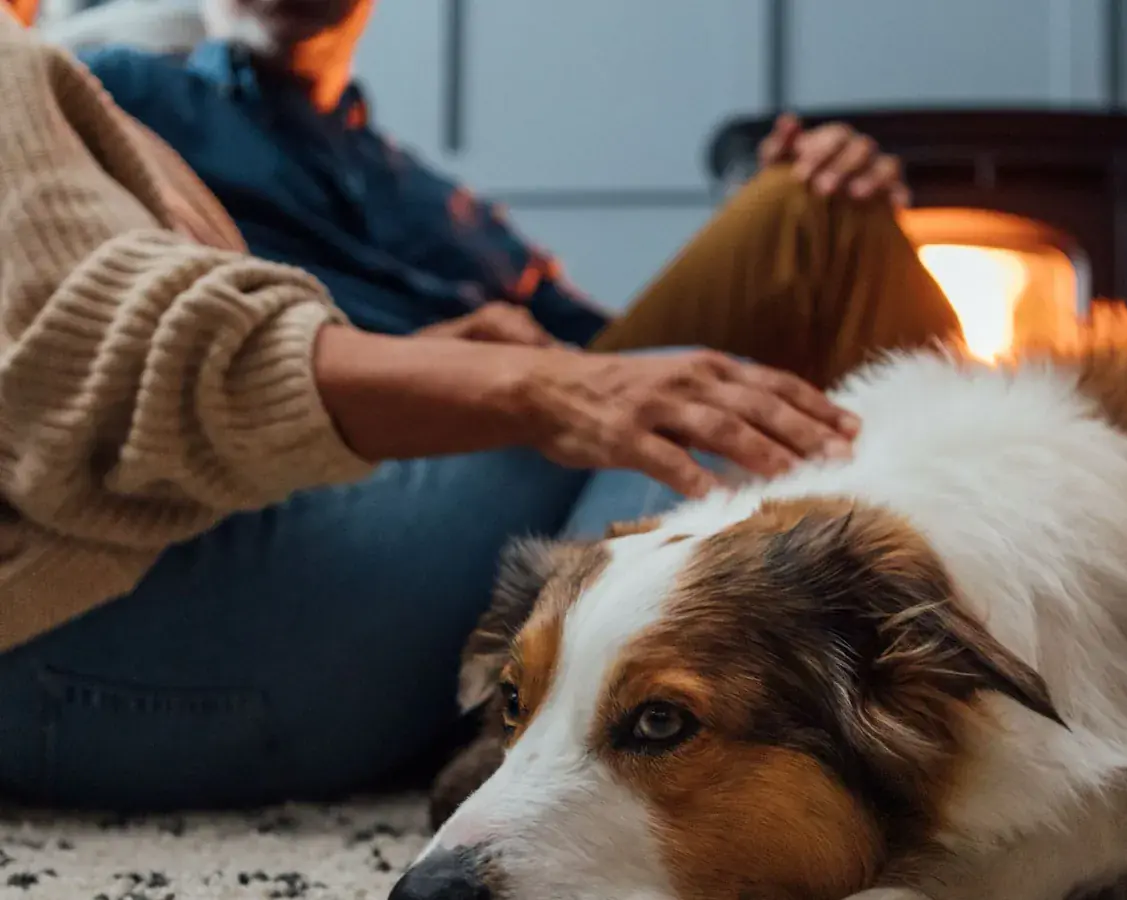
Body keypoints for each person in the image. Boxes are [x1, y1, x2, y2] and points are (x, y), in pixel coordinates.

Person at [0, 0, 960, 812]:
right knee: (669, 398)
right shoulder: (123, 91)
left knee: (813, 216)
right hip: (312, 491)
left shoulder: (417, 189)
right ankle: (580, 734)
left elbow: (606, 351)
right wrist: (540, 385)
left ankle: (994, 570)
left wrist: (586, 370)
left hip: (469, 450)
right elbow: (112, 332)